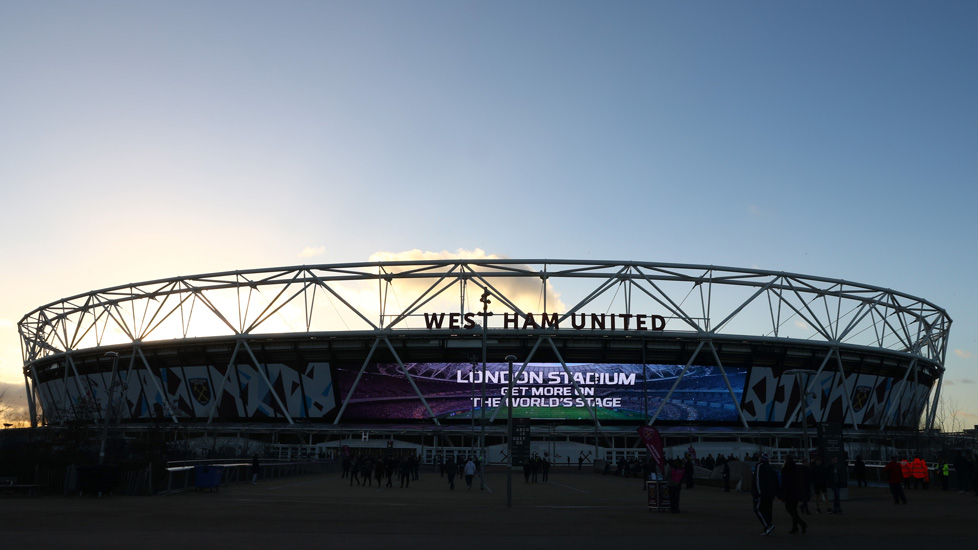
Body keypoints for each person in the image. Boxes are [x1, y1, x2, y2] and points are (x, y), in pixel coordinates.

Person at [752, 453, 779, 536]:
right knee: (767, 511)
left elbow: (757, 480)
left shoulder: (760, 466)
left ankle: (768, 526)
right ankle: (767, 528)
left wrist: (758, 492)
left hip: (762, 494)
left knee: (758, 509)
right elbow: (776, 481)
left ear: (761, 458)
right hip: (770, 494)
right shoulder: (770, 468)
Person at [780, 456, 808, 534]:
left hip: (789, 493)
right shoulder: (797, 468)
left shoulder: (785, 469)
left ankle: (801, 523)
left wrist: (782, 494)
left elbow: (784, 483)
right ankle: (795, 527)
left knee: (789, 509)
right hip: (796, 492)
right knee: (794, 510)